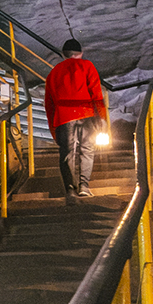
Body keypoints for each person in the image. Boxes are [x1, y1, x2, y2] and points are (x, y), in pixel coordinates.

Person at [43, 35, 109, 194]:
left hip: (63, 116)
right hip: (86, 113)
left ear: (63, 54)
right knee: (87, 149)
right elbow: (96, 95)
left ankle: (70, 188)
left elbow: (49, 103)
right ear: (81, 52)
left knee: (67, 152)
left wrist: (53, 127)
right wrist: (102, 118)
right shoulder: (87, 66)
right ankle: (84, 186)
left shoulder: (55, 72)